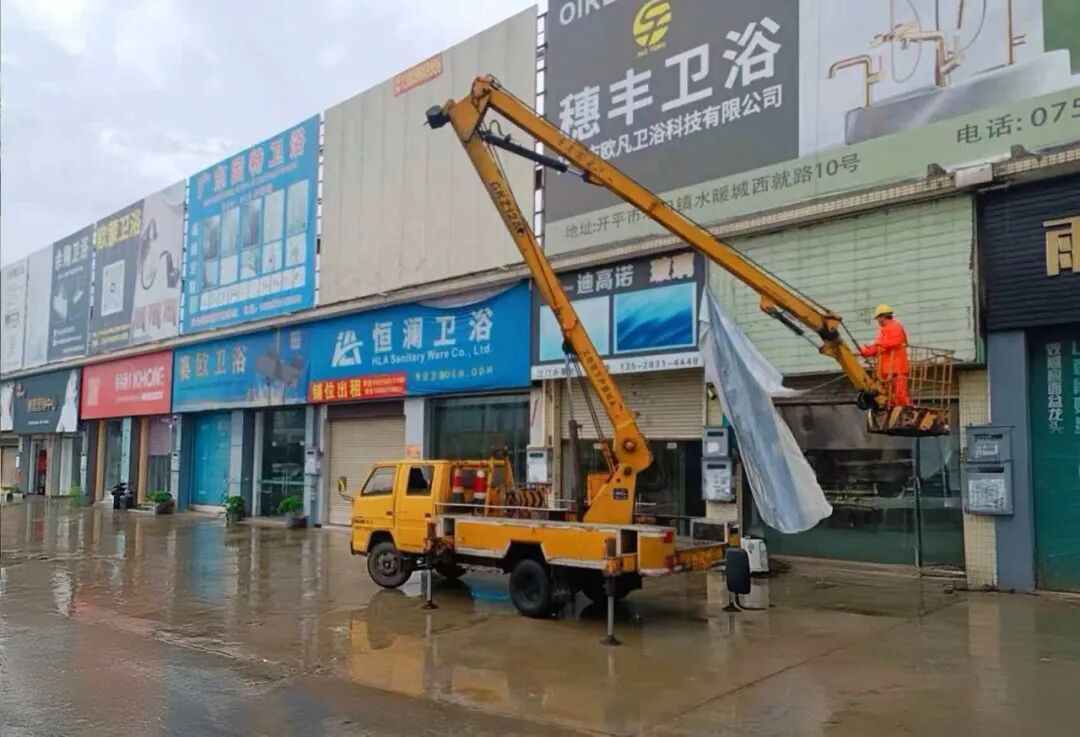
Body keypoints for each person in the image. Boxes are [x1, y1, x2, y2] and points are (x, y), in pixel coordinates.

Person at [859, 304, 911, 407]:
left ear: (883, 316)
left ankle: (905, 410)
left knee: (900, 395)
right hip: (886, 370)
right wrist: (864, 352)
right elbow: (878, 347)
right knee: (888, 396)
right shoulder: (884, 330)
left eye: (878, 318)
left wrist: (878, 344)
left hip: (897, 369)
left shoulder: (895, 327)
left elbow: (895, 341)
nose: (878, 321)